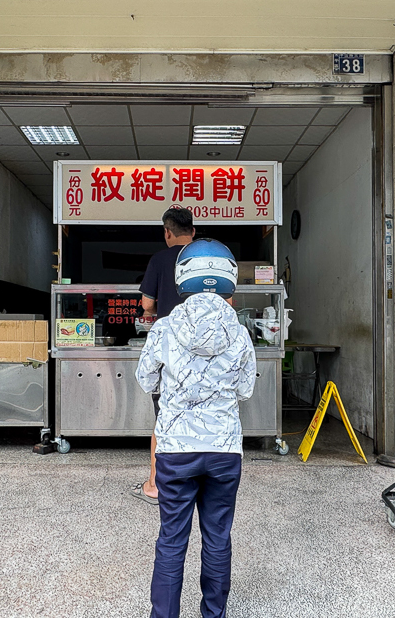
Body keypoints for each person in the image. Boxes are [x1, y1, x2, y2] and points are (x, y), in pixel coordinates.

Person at [135, 239, 255, 618]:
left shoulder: (165, 329)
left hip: (175, 449)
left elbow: (144, 380)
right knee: (218, 537)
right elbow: (246, 390)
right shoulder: (240, 333)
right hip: (223, 450)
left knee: (172, 539)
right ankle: (213, 614)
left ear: (182, 276)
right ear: (229, 279)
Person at [131, 208, 195, 504]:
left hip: (171, 351)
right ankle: (197, 483)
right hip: (207, 352)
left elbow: (146, 304)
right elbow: (230, 301)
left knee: (165, 415)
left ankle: (156, 485)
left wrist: (156, 310)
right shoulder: (208, 260)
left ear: (167, 232)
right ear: (193, 232)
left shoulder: (159, 259)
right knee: (201, 415)